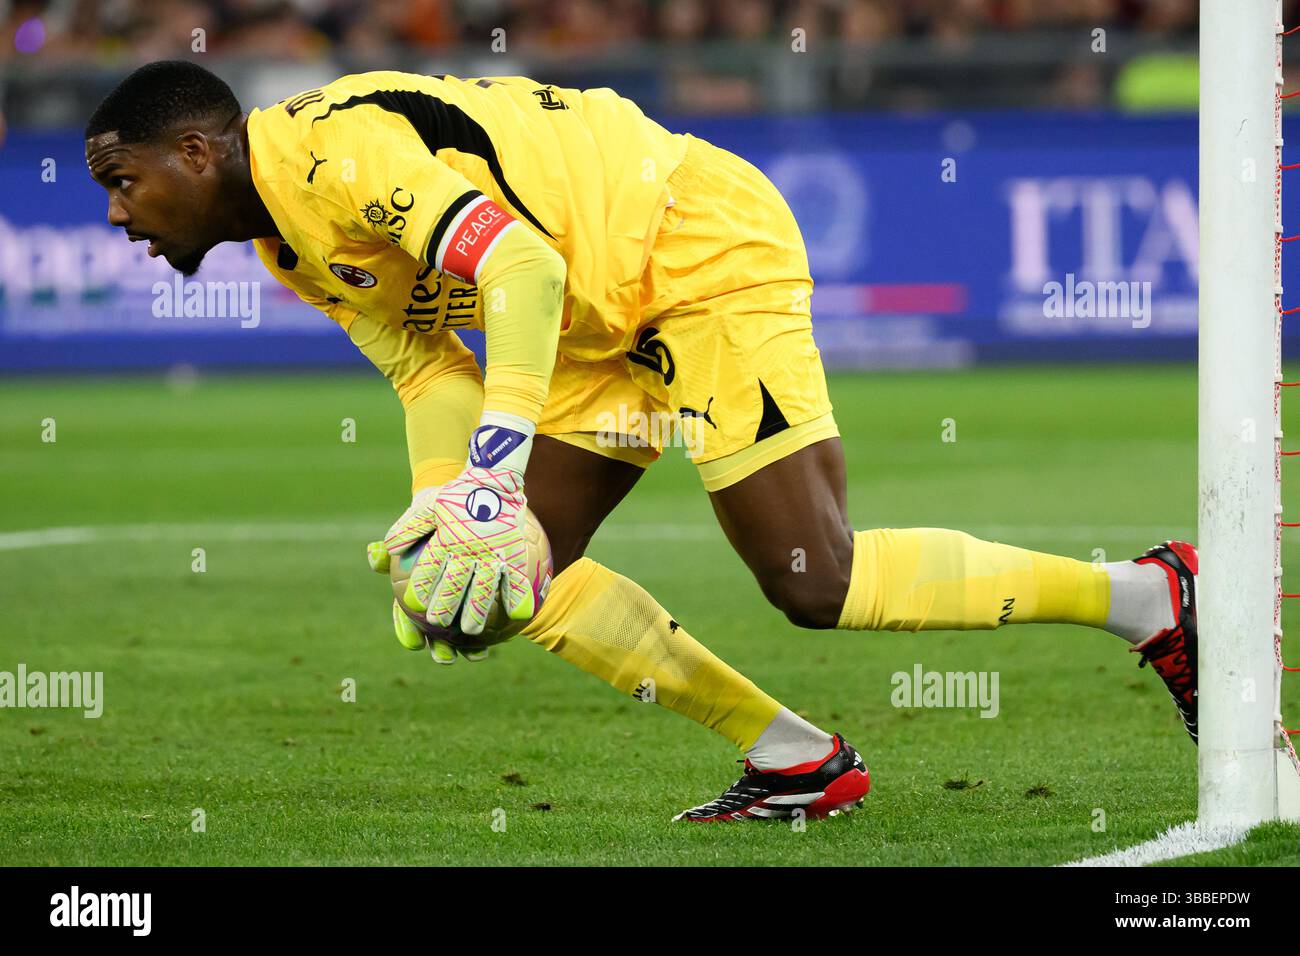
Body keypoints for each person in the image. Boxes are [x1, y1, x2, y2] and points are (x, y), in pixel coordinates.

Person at [84, 60, 1196, 823]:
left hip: (688, 244)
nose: (119, 216)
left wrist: (491, 470)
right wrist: (447, 507)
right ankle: (791, 756)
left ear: (195, 150)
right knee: (491, 588)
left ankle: (1144, 596)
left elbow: (517, 265)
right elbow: (430, 367)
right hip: (589, 322)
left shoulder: (335, 157)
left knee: (813, 575)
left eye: (123, 183)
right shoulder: (291, 245)